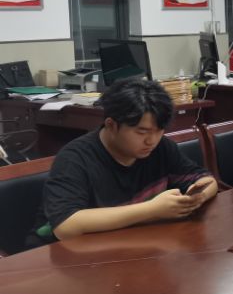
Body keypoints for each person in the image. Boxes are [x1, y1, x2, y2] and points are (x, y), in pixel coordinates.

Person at [28, 78, 218, 245]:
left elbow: (207, 181)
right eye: (141, 132)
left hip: (127, 245)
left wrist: (198, 197)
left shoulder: (160, 148)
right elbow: (65, 226)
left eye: (159, 131)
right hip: (61, 257)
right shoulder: (75, 158)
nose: (151, 141)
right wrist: (152, 210)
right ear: (111, 125)